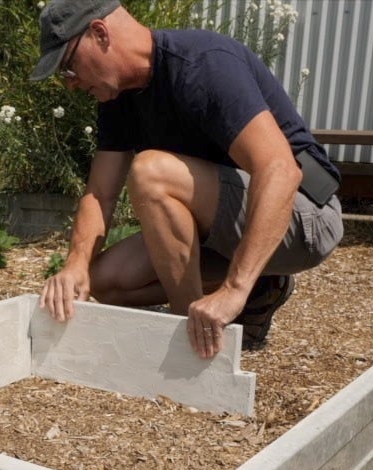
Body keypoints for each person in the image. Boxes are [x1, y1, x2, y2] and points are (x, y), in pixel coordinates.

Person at [32, 0, 343, 359]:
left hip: (306, 218)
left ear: (100, 33)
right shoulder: (117, 98)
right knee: (103, 280)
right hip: (230, 229)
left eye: (68, 66)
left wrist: (234, 289)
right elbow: (100, 194)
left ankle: (192, 334)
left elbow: (280, 170)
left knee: (151, 172)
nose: (70, 84)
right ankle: (259, 288)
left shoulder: (202, 64)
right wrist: (74, 265)